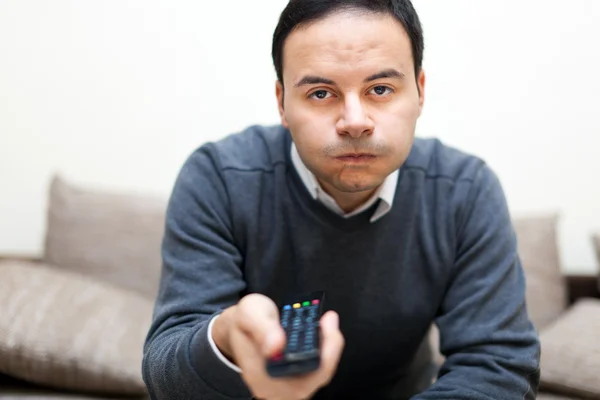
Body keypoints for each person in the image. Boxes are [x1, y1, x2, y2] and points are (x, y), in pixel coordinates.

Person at [142, 0, 541, 399]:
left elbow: (498, 364)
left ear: (420, 92)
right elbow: (164, 372)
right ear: (282, 102)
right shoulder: (218, 179)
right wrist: (226, 337)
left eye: (380, 89)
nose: (354, 121)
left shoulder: (466, 191)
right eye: (320, 93)